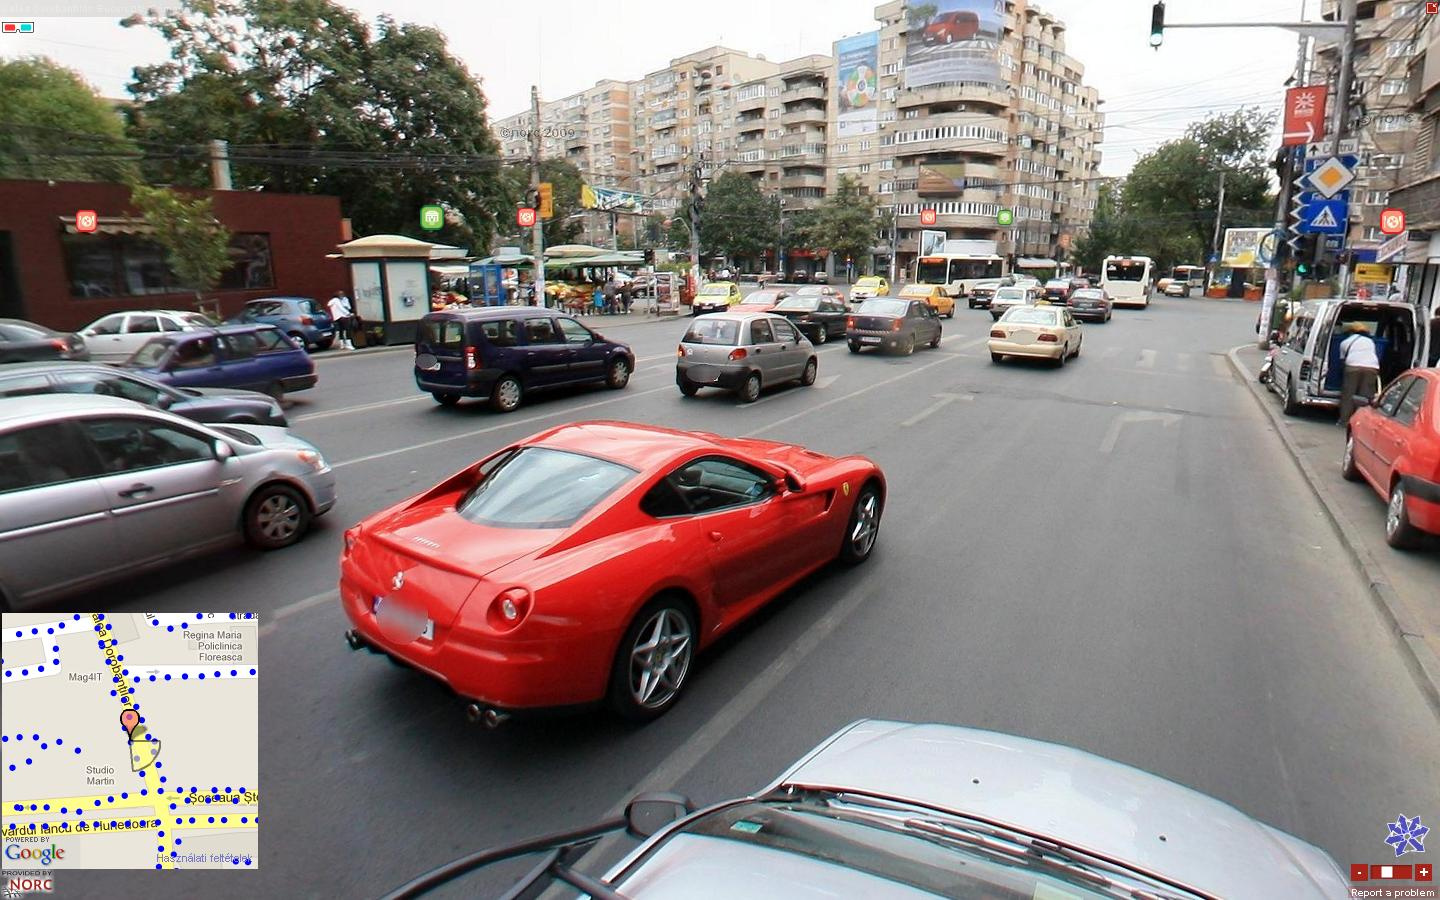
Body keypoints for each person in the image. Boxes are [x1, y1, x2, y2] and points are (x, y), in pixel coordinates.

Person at [1338, 322, 1381, 427]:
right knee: (1365, 396)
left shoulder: (1344, 343)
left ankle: (1344, 421)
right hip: (1372, 367)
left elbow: (1343, 361)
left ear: (1350, 332)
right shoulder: (1370, 341)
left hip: (1353, 367)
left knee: (1348, 395)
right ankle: (1361, 422)